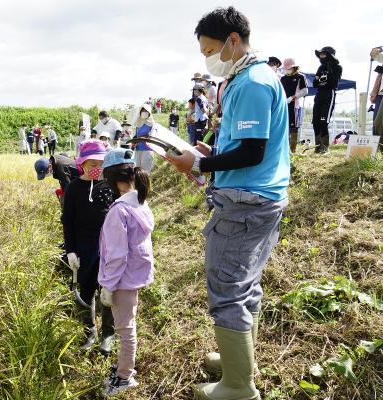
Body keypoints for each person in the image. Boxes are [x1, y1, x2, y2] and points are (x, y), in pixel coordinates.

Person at [167, 7, 290, 399]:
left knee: (228, 288)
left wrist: (201, 162)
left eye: (210, 50)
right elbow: (243, 145)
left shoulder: (253, 81)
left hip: (245, 201)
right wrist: (213, 150)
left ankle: (239, 385)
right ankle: (238, 359)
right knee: (246, 283)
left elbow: (253, 152)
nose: (208, 59)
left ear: (233, 41)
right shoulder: (245, 77)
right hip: (260, 195)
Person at [97, 148, 154, 397]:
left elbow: (117, 255)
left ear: (110, 178)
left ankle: (124, 377)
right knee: (128, 324)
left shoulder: (118, 211)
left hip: (121, 280)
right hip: (134, 276)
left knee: (125, 328)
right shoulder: (140, 202)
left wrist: (108, 286)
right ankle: (124, 369)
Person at [62, 140, 115, 354]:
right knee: (87, 289)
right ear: (82, 164)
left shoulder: (110, 186)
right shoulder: (74, 188)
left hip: (108, 247)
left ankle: (108, 334)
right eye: (91, 164)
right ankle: (90, 331)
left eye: (100, 164)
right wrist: (71, 250)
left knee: (108, 291)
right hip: (84, 247)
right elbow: (68, 220)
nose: (96, 169)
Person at [312, 46, 343, 154]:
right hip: (319, 94)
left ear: (330, 55)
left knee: (323, 122)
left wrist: (330, 71)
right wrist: (319, 78)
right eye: (320, 54)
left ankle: (325, 147)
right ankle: (318, 146)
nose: (321, 56)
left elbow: (333, 83)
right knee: (315, 122)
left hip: (329, 94)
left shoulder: (338, 67)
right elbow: (315, 83)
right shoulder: (320, 68)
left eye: (323, 54)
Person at [280, 58, 308, 153]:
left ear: (294, 68)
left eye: (288, 68)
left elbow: (305, 91)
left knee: (293, 127)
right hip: (283, 105)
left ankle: (293, 149)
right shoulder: (283, 78)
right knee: (284, 126)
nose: (286, 70)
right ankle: (284, 149)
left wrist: (293, 97)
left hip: (294, 105)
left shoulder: (300, 77)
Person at [131, 104, 155, 172]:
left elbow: (152, 136)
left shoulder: (152, 125)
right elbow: (136, 135)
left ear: (149, 113)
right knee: (136, 170)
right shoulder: (138, 124)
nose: (144, 112)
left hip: (147, 150)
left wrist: (141, 138)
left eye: (146, 111)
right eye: (143, 111)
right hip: (138, 149)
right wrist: (133, 142)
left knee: (145, 171)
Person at [370, 47, 383, 135]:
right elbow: (374, 55)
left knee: (378, 121)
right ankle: (377, 144)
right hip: (380, 93)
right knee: (376, 121)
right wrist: (376, 51)